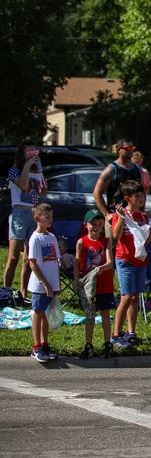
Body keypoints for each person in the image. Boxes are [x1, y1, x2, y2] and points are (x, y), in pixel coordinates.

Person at [110, 180, 151, 348]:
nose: (141, 198)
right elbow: (116, 236)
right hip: (125, 259)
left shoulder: (143, 216)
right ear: (127, 198)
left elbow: (146, 238)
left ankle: (131, 331)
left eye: (142, 195)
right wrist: (121, 218)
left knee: (135, 297)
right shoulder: (121, 215)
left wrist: (146, 238)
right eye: (137, 196)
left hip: (140, 261)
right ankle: (116, 333)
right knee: (126, 297)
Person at [4, 141, 46, 300]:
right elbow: (22, 185)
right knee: (13, 256)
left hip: (34, 212)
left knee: (29, 258)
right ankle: (6, 291)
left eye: (35, 153)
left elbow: (42, 191)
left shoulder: (37, 170)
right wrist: (28, 165)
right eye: (29, 153)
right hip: (19, 213)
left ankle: (23, 293)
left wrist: (41, 176)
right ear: (22, 155)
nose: (34, 156)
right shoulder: (14, 170)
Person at [74, 209, 115, 359]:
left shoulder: (105, 241)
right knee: (90, 315)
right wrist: (75, 279)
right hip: (89, 286)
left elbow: (110, 263)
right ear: (86, 225)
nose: (96, 227)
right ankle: (88, 344)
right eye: (93, 224)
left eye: (99, 224)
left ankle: (107, 343)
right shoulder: (82, 242)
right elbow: (77, 262)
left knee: (105, 313)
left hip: (104, 284)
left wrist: (100, 268)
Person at [26, 203, 60, 362]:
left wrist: (55, 284)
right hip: (40, 285)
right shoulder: (35, 239)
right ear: (37, 219)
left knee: (45, 314)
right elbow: (32, 263)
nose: (50, 220)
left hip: (51, 285)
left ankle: (45, 344)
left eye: (51, 217)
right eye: (47, 217)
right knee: (38, 314)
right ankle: (36, 346)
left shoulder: (51, 237)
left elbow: (55, 262)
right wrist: (45, 283)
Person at [93, 138, 143, 237]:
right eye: (127, 148)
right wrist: (106, 214)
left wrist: (142, 212)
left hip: (134, 217)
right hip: (116, 217)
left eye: (132, 147)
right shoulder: (112, 169)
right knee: (114, 249)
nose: (130, 150)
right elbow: (96, 193)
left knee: (135, 249)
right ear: (119, 149)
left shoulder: (137, 169)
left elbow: (142, 192)